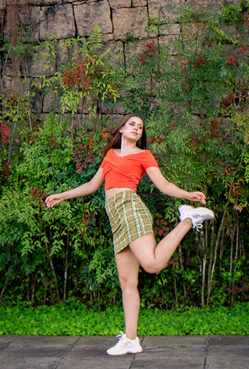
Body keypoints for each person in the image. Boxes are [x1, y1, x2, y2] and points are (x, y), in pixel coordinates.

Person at [45, 114, 215, 356]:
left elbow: (163, 185)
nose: (136, 128)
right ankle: (131, 340)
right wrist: (62, 195)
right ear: (122, 128)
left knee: (153, 264)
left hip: (130, 207)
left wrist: (187, 195)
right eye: (132, 124)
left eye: (140, 127)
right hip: (116, 217)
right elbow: (93, 185)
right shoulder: (110, 155)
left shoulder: (144, 155)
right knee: (127, 282)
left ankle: (189, 219)